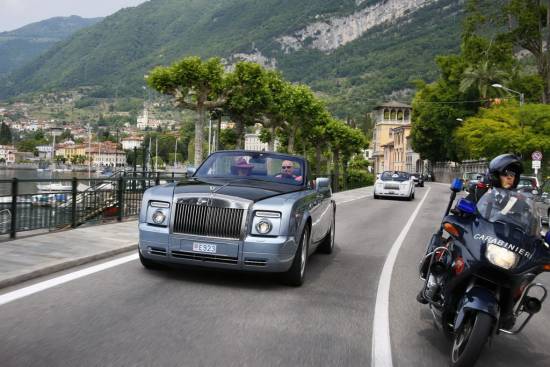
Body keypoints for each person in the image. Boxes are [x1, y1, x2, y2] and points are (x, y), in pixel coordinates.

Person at [417, 153, 523, 304]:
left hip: (500, 244)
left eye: (514, 174)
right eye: (506, 173)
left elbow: (526, 224)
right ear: (495, 175)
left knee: (519, 272)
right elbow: (464, 206)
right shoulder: (480, 190)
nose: (510, 177)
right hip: (475, 235)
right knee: (446, 246)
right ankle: (431, 283)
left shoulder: (518, 201)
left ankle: (509, 305)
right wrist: (461, 209)